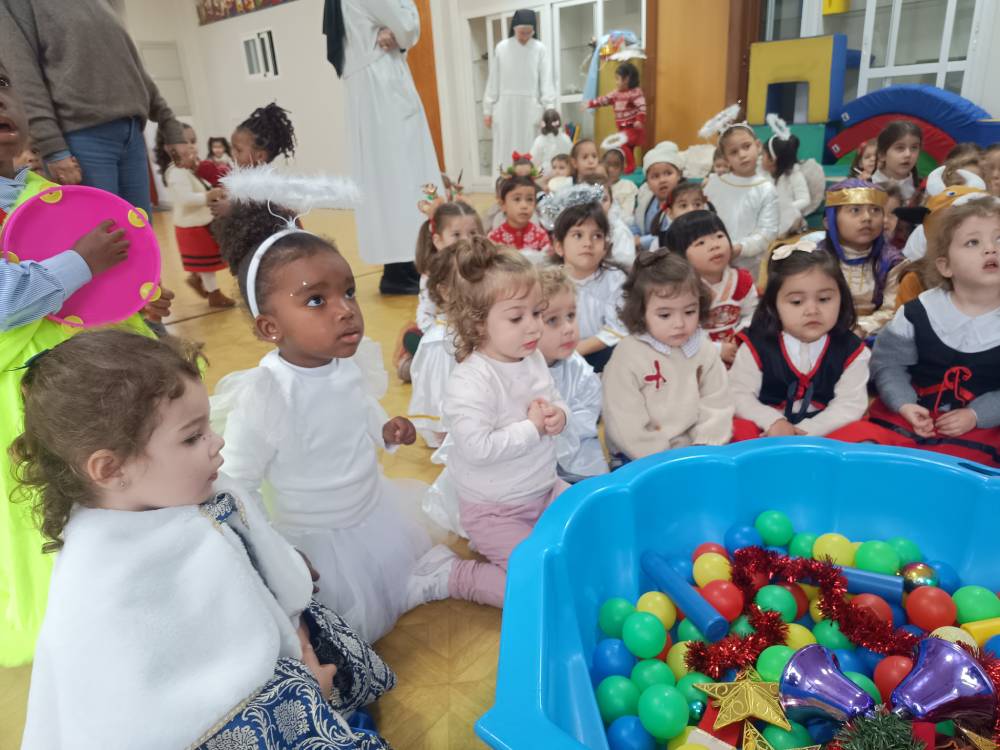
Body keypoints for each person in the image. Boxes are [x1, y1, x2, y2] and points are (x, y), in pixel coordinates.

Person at [14, 330, 395, 749]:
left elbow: (249, 554)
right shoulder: (106, 581)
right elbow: (167, 714)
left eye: (207, 427)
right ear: (110, 468)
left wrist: (286, 583)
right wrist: (306, 695)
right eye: (192, 437)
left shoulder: (184, 485)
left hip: (287, 658)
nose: (217, 442)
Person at [211, 199, 456, 643]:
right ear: (270, 328)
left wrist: (384, 429)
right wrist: (275, 552)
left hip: (369, 506)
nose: (345, 310)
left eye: (349, 292)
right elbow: (240, 481)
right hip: (317, 531)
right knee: (340, 617)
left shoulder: (345, 361)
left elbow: (358, 404)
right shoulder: (268, 392)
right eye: (316, 300)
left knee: (392, 572)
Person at [0, 64, 167, 667]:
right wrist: (80, 263)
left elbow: (89, 293)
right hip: (28, 394)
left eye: (2, 88)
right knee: (60, 504)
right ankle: (87, 625)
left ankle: (153, 591)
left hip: (93, 370)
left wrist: (130, 297)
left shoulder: (42, 195)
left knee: (128, 476)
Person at [438, 238, 568, 608]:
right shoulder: (470, 380)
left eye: (537, 313)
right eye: (516, 318)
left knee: (592, 534)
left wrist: (559, 415)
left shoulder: (531, 358)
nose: (534, 327)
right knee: (537, 589)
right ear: (478, 324)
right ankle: (457, 576)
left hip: (545, 490)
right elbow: (477, 448)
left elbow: (553, 397)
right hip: (495, 511)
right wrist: (533, 428)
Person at [829, 197, 1000, 466]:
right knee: (856, 445)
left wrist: (977, 415)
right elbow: (889, 364)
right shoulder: (919, 311)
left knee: (965, 470)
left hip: (981, 428)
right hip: (911, 416)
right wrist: (904, 403)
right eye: (973, 242)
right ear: (945, 266)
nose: (991, 249)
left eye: (999, 239)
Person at [0, 0, 186, 216]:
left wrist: (169, 124)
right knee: (99, 230)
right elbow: (23, 75)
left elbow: (133, 68)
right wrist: (53, 148)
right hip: (80, 138)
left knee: (140, 230)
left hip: (132, 134)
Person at [324, 0, 443, 296]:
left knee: (385, 181)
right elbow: (407, 25)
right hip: (383, 86)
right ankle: (406, 266)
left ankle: (400, 266)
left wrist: (399, 32)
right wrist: (402, 30)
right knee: (401, 178)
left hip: (371, 87)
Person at [730, 241, 870, 441]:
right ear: (773, 305)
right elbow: (738, 394)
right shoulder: (756, 345)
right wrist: (772, 421)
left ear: (842, 298)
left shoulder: (852, 350)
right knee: (736, 429)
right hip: (768, 426)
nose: (812, 310)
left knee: (863, 433)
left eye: (824, 299)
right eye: (797, 302)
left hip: (825, 428)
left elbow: (849, 405)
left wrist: (805, 432)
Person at [603, 250, 733, 463]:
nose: (679, 323)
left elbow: (717, 403)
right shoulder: (627, 356)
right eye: (665, 315)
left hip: (697, 450)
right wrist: (663, 460)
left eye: (689, 312)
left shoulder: (703, 348)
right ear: (640, 312)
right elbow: (624, 422)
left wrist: (705, 445)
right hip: (641, 456)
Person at [409, 201, 482, 447]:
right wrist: (436, 336)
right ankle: (443, 428)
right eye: (457, 234)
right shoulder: (433, 274)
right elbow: (425, 313)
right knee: (442, 383)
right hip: (445, 342)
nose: (466, 240)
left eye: (472, 233)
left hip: (475, 335)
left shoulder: (483, 268)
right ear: (438, 240)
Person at [542, 186, 628, 372]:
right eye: (578, 235)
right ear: (559, 246)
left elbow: (617, 328)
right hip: (556, 353)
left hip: (602, 354)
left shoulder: (615, 279)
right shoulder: (548, 281)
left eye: (597, 236)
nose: (588, 243)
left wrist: (576, 351)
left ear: (605, 246)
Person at [537, 266, 607, 483]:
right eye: (552, 320)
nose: (568, 328)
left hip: (578, 456)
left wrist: (563, 421)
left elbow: (589, 412)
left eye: (571, 315)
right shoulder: (515, 370)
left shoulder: (579, 369)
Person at [154, 125, 234, 309]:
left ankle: (197, 279)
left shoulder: (188, 169)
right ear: (169, 148)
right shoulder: (176, 172)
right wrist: (207, 196)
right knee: (207, 264)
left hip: (201, 223)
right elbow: (185, 199)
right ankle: (214, 294)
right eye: (186, 142)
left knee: (207, 261)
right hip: (192, 226)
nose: (192, 146)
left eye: (193, 141)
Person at [664, 210, 757, 366]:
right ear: (680, 257)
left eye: (719, 236)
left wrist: (740, 336)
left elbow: (752, 314)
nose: (714, 246)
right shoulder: (681, 292)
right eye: (700, 243)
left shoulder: (741, 280)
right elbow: (680, 333)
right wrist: (717, 349)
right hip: (698, 358)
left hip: (738, 348)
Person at [819, 179, 903, 337]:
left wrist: (860, 328)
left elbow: (892, 310)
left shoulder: (892, 261)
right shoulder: (814, 259)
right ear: (829, 222)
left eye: (875, 210)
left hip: (874, 336)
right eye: (855, 210)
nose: (867, 218)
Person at [483, 9, 556, 177]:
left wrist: (549, 110)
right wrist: (488, 110)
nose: (524, 36)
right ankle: (503, 184)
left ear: (533, 31)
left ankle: (531, 184)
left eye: (528, 32)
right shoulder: (502, 47)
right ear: (514, 28)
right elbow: (493, 81)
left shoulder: (540, 48)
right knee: (505, 150)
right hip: (505, 108)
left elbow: (546, 81)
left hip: (531, 108)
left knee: (531, 149)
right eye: (522, 32)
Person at [704, 120, 779, 284]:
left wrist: (740, 248)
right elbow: (702, 218)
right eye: (734, 152)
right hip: (711, 260)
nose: (742, 155)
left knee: (743, 295)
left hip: (748, 265)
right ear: (726, 158)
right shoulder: (714, 184)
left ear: (758, 146)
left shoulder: (766, 189)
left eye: (746, 146)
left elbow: (767, 231)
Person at [586, 62, 647, 173]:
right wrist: (590, 103)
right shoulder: (616, 94)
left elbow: (641, 107)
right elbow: (604, 100)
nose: (616, 82)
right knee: (628, 147)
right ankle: (630, 166)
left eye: (618, 79)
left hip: (633, 127)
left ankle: (631, 165)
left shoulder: (635, 93)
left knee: (622, 143)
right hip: (622, 127)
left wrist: (639, 120)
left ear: (626, 79)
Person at [635, 141, 686, 251]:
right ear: (647, 183)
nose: (662, 180)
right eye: (655, 176)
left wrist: (641, 241)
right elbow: (636, 223)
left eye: (668, 173)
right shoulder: (646, 200)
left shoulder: (685, 203)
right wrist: (634, 235)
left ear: (679, 175)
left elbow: (674, 234)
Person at [762, 121, 810, 237]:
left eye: (763, 155)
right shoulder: (764, 175)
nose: (760, 158)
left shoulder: (794, 176)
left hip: (787, 215)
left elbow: (805, 199)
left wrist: (786, 207)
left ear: (772, 160)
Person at [488, 175, 550, 261]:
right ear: (503, 205)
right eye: (517, 199)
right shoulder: (494, 238)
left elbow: (547, 262)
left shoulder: (541, 236)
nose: (524, 206)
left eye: (529, 199)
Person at [872, 120, 923, 203]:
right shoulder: (865, 187)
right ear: (882, 155)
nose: (908, 154)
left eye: (914, 147)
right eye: (900, 148)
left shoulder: (923, 189)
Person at [530, 109, 573, 176]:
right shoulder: (566, 138)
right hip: (564, 174)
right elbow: (572, 157)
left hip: (546, 175)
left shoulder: (539, 140)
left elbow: (533, 162)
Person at [603, 148, 639, 218]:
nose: (611, 169)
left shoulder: (628, 186)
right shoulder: (597, 185)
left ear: (622, 168)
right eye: (608, 164)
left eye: (616, 165)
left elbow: (628, 212)